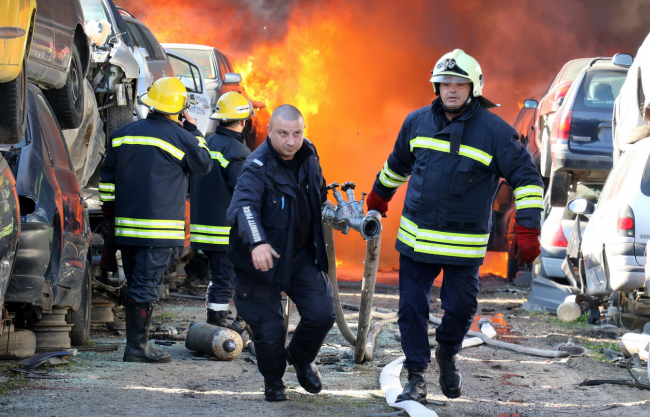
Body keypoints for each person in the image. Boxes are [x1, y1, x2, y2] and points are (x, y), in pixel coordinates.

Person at [366, 49, 543, 402]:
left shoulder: (495, 132)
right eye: (445, 83)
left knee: (461, 309)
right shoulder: (416, 122)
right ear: (436, 87)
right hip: (415, 240)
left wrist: (528, 228)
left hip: (463, 245)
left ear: (473, 87)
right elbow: (397, 165)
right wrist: (378, 198)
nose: (451, 90)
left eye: (459, 84)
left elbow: (527, 179)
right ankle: (416, 376)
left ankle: (447, 354)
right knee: (411, 308)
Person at [99, 77, 212, 363]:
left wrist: (111, 217)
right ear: (180, 109)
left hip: (126, 229)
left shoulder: (122, 134)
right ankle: (137, 348)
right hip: (158, 232)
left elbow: (107, 183)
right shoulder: (183, 137)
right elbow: (204, 164)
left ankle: (137, 344)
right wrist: (195, 130)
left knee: (137, 282)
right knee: (144, 285)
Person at [226, 105, 335, 402]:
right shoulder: (256, 167)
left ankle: (300, 358)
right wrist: (258, 242)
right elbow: (243, 208)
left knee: (323, 312)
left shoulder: (310, 155)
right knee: (270, 329)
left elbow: (318, 193)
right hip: (259, 261)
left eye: (297, 133)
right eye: (283, 133)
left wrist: (331, 209)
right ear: (270, 132)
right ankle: (274, 381)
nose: (291, 141)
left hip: (298, 255)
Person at [189, 92, 253, 327]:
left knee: (220, 277)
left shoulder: (206, 144)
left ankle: (221, 323)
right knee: (227, 279)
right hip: (224, 231)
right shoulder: (237, 152)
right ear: (243, 121)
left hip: (202, 228)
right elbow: (244, 194)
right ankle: (218, 327)